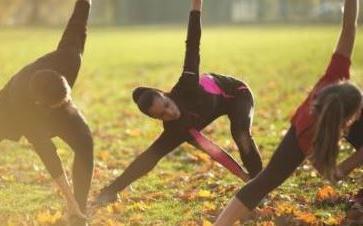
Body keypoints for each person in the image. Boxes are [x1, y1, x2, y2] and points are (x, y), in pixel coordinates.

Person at [94, 0, 263, 206]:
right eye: (162, 115)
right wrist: (110, 190)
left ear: (164, 94)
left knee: (241, 133)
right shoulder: (176, 128)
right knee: (152, 156)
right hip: (215, 107)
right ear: (157, 119)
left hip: (237, 94)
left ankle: (260, 186)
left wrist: (196, 6)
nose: (170, 113)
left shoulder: (187, 84)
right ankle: (255, 187)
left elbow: (192, 44)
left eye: (166, 105)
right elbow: (150, 160)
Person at [214, 0, 362, 225]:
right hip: (313, 132)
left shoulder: (334, 75)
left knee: (264, 181)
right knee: (268, 179)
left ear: (335, 86)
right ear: (349, 120)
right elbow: (332, 174)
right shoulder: (311, 136)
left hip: (310, 125)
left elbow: (349, 26)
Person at [0, 0, 93, 225]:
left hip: (57, 105)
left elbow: (77, 23)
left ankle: (79, 213)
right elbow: (48, 154)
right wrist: (68, 199)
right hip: (7, 114)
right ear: (41, 104)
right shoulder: (20, 104)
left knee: (84, 141)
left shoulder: (69, 58)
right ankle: (74, 206)